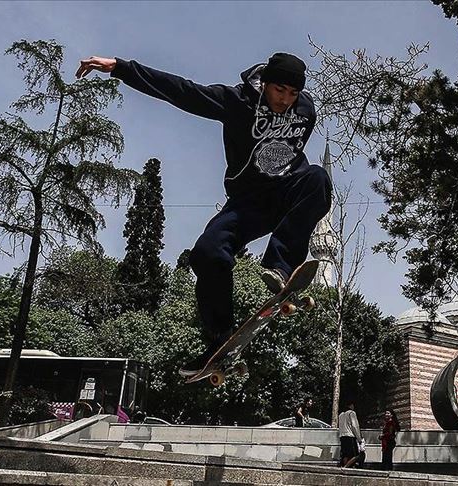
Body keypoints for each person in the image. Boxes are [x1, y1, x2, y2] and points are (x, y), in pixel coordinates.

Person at [77, 53, 332, 374]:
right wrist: (122, 68)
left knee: (318, 179)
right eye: (279, 90)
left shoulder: (305, 110)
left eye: (292, 94)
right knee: (207, 254)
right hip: (248, 203)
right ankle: (218, 338)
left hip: (287, 193)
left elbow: (301, 157)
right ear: (266, 82)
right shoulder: (235, 102)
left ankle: (281, 267)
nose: (285, 100)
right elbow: (183, 91)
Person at [337, 400, 362, 467]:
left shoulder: (341, 415)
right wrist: (359, 438)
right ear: (351, 405)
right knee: (356, 455)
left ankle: (344, 466)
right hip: (350, 436)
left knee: (345, 455)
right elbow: (354, 426)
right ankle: (346, 467)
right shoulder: (351, 413)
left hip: (342, 436)